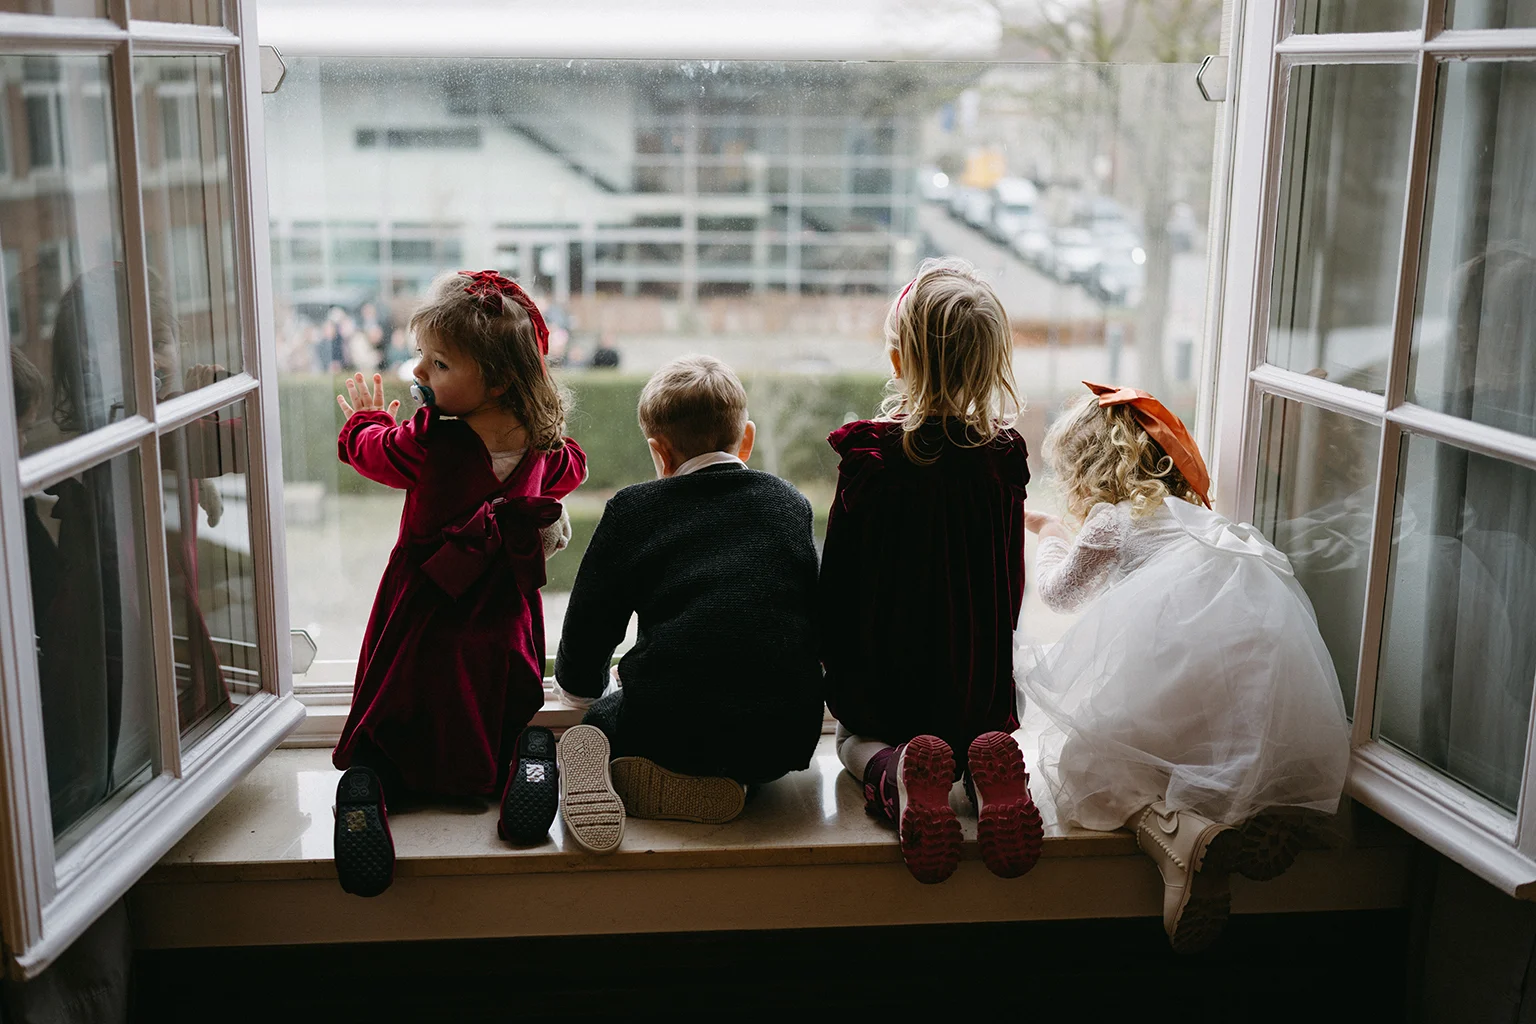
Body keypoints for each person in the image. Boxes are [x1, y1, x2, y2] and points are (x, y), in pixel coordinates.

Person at [1017, 382, 1350, 952]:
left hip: (1178, 686)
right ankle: (1255, 813)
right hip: (1246, 693)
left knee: (1084, 768)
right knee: (1203, 759)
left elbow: (1060, 593)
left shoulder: (1110, 522)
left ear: (1088, 470)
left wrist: (1049, 533)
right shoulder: (1197, 522)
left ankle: (1181, 837)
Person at [330, 270, 586, 897]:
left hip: (428, 608)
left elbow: (375, 455)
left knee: (407, 704)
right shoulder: (541, 441)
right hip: (502, 610)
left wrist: (364, 421)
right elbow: (568, 470)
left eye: (439, 363)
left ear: (495, 378)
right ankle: (518, 763)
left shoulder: (430, 441)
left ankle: (375, 782)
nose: (420, 371)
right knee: (494, 701)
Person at [819, 256, 1043, 885]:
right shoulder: (1003, 458)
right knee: (975, 737)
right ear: (992, 363)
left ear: (898, 362)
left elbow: (839, 581)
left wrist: (833, 667)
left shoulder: (871, 458)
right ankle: (986, 776)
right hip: (974, 687)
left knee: (850, 744)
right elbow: (1010, 577)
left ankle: (896, 774)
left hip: (886, 686)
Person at [553, 355, 823, 850]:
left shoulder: (634, 511)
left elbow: (591, 623)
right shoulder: (790, 505)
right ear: (746, 439)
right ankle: (736, 782)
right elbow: (813, 614)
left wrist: (580, 690)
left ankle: (654, 769)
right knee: (748, 717)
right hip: (783, 732)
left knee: (605, 718)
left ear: (659, 453)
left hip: (671, 720)